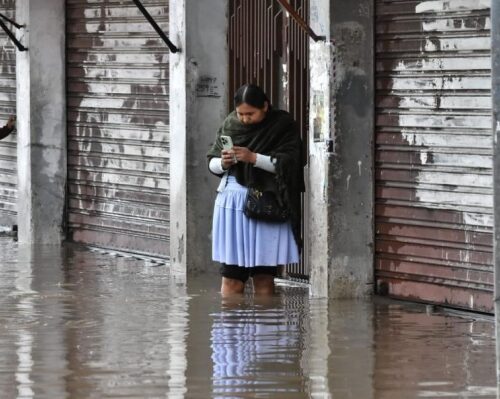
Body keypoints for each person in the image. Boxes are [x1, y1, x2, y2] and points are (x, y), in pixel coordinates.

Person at [207, 84, 305, 296]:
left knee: (264, 277)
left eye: (250, 113)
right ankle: (231, 325)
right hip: (232, 207)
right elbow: (212, 163)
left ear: (265, 107)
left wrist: (253, 158)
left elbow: (291, 164)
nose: (244, 119)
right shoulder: (230, 124)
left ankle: (265, 327)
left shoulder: (282, 125)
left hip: (266, 206)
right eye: (240, 114)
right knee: (232, 278)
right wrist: (223, 163)